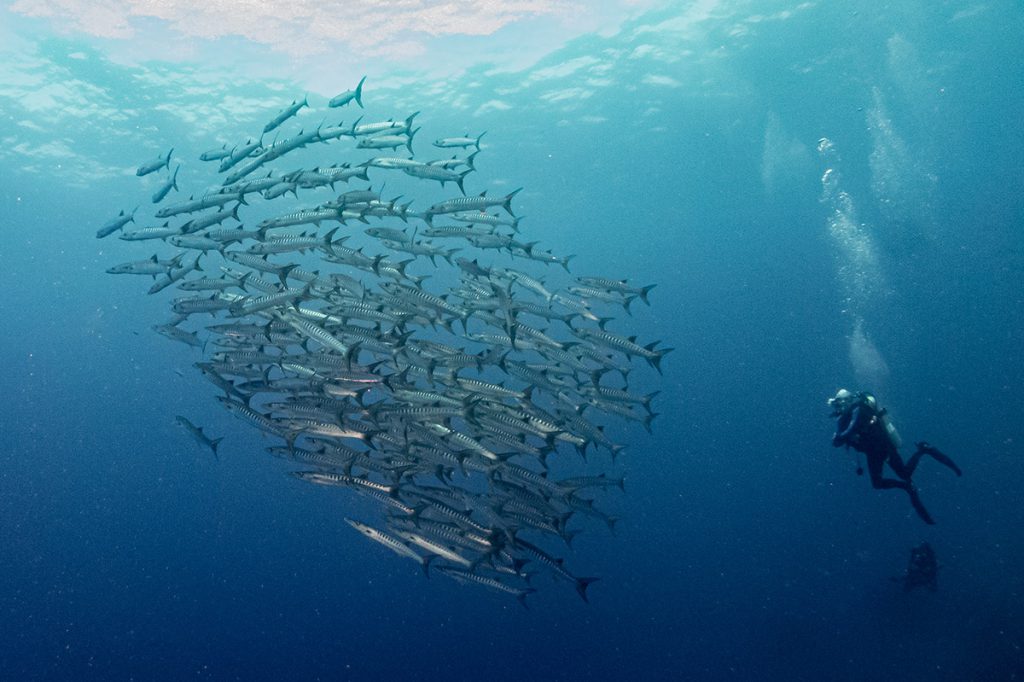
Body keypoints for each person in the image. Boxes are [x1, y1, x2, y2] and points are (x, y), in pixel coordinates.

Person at [828, 389, 962, 525]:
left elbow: (849, 430)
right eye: (837, 404)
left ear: (848, 400)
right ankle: (905, 486)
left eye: (840, 403)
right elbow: (838, 441)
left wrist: (840, 437)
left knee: (905, 474)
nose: (839, 407)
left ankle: (923, 450)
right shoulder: (843, 418)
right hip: (872, 452)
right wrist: (839, 437)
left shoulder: (858, 409)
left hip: (883, 446)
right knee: (877, 483)